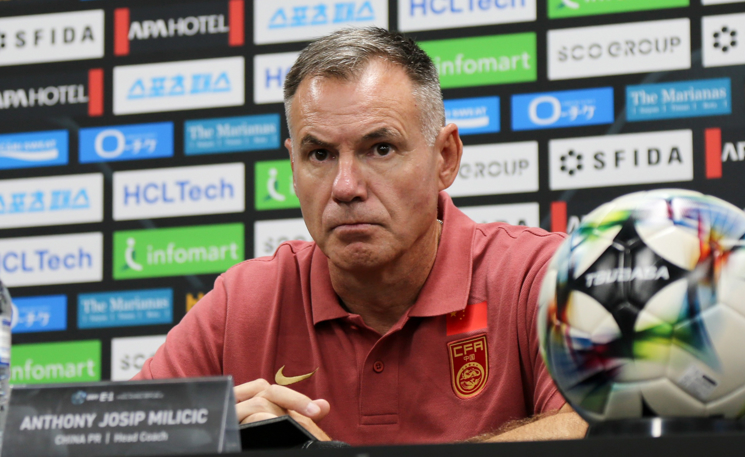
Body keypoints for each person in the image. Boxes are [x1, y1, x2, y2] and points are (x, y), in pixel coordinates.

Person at [133, 27, 588, 445]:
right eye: (320, 154)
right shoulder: (244, 304)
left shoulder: (539, 277)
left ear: (445, 157)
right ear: (293, 167)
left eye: (380, 148)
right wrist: (206, 440)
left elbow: (591, 429)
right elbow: (118, 436)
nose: (345, 187)